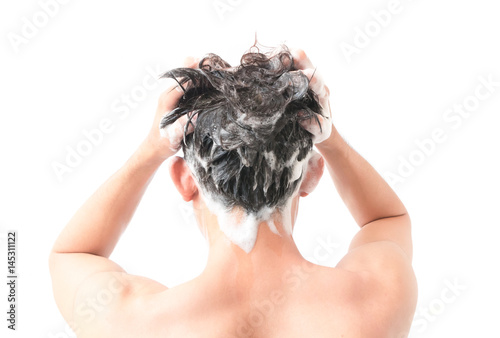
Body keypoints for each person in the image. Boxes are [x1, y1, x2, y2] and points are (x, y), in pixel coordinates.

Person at [49, 46, 417, 337]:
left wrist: (152, 149)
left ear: (184, 179)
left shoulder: (136, 323)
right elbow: (387, 218)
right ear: (311, 175)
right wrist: (330, 138)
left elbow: (71, 254)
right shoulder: (373, 301)